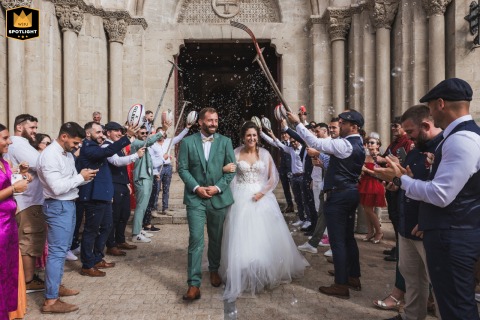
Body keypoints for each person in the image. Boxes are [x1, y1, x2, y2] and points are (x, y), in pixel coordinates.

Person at [375, 78, 480, 320]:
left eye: (431, 106)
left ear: (440, 104)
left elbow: (441, 194)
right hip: (449, 232)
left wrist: (401, 180)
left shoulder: (461, 139)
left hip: (452, 236)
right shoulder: (457, 137)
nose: (431, 113)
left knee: (456, 308)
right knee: (452, 302)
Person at [219, 121, 309, 302]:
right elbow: (231, 176)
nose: (252, 138)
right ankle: (244, 268)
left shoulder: (266, 154)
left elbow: (272, 178)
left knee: (264, 236)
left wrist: (262, 193)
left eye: (254, 135)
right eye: (248, 136)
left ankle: (264, 269)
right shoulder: (236, 153)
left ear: (258, 137)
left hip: (262, 197)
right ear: (243, 137)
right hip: (241, 197)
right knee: (242, 235)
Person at [287, 110, 365, 299]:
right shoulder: (358, 144)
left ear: (353, 126)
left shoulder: (345, 144)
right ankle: (352, 276)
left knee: (338, 241)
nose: (339, 126)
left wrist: (298, 123)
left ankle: (340, 284)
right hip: (350, 192)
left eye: (343, 123)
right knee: (347, 238)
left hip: (339, 195)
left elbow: (315, 143)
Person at [379, 105, 443, 320]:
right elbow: (412, 180)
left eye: (410, 131)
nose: (407, 137)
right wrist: (397, 182)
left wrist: (428, 220)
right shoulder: (416, 148)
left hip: (426, 227)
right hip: (408, 224)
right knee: (412, 276)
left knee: (440, 283)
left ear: (425, 125)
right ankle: (412, 315)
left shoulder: (443, 149)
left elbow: (443, 192)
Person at [37, 122, 97, 314]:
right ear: (64, 137)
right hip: (57, 206)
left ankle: (55, 287)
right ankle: (51, 300)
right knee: (57, 252)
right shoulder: (49, 156)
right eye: (75, 142)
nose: (77, 146)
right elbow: (57, 188)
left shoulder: (67, 154)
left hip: (68, 204)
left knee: (62, 251)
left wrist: (83, 177)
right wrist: (80, 178)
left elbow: (70, 181)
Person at [177, 107, 236, 301]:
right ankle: (193, 284)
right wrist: (196, 188)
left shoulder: (226, 142)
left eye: (216, 120)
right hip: (195, 199)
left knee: (216, 238)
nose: (213, 123)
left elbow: (231, 170)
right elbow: (183, 169)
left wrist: (217, 188)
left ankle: (214, 269)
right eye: (210, 120)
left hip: (218, 198)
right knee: (195, 239)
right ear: (200, 122)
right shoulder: (187, 142)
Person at [76, 121, 138, 276]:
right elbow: (108, 152)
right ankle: (87, 264)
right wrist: (128, 136)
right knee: (91, 231)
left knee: (107, 226)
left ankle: (97, 258)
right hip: (93, 196)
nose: (101, 135)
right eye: (98, 132)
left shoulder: (96, 147)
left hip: (103, 194)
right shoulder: (88, 148)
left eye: (102, 132)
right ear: (88, 134)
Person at [4, 114, 47, 294]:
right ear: (20, 127)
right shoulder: (19, 143)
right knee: (29, 242)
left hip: (27, 200)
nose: (35, 131)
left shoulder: (21, 144)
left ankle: (29, 278)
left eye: (36, 128)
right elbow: (41, 164)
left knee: (31, 240)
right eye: (32, 127)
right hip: (27, 202)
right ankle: (28, 280)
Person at [0, 123, 29, 320]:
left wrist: (19, 172)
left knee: (9, 271)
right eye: (4, 138)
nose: (9, 141)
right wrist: (14, 189)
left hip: (9, 224)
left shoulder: (4, 161)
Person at [104, 122, 144, 257]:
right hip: (113, 185)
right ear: (108, 132)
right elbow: (116, 162)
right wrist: (136, 156)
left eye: (121, 131)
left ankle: (120, 240)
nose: (120, 133)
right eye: (116, 131)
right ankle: (111, 245)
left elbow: (122, 167)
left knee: (124, 214)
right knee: (114, 217)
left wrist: (127, 183)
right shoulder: (106, 145)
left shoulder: (118, 145)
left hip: (122, 184)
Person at [130, 121, 170, 243]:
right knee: (140, 207)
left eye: (146, 133)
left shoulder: (145, 145)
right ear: (136, 133)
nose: (144, 134)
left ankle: (140, 229)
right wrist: (162, 130)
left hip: (148, 177)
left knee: (144, 206)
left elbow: (150, 162)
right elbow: (149, 141)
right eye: (142, 133)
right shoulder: (137, 143)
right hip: (141, 179)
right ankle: (135, 234)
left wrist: (155, 173)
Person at [358, 135, 386, 244]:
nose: (370, 145)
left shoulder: (379, 158)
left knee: (369, 210)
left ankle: (379, 232)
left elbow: (382, 173)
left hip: (374, 185)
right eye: (369, 143)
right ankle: (370, 232)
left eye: (372, 143)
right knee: (366, 210)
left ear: (378, 145)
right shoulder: (365, 156)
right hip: (364, 184)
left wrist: (366, 170)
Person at [277, 131, 294, 214]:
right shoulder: (280, 144)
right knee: (285, 189)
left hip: (291, 169)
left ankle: (299, 206)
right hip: (283, 169)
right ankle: (290, 205)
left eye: (286, 134)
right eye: (282, 134)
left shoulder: (293, 143)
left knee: (294, 188)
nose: (284, 135)